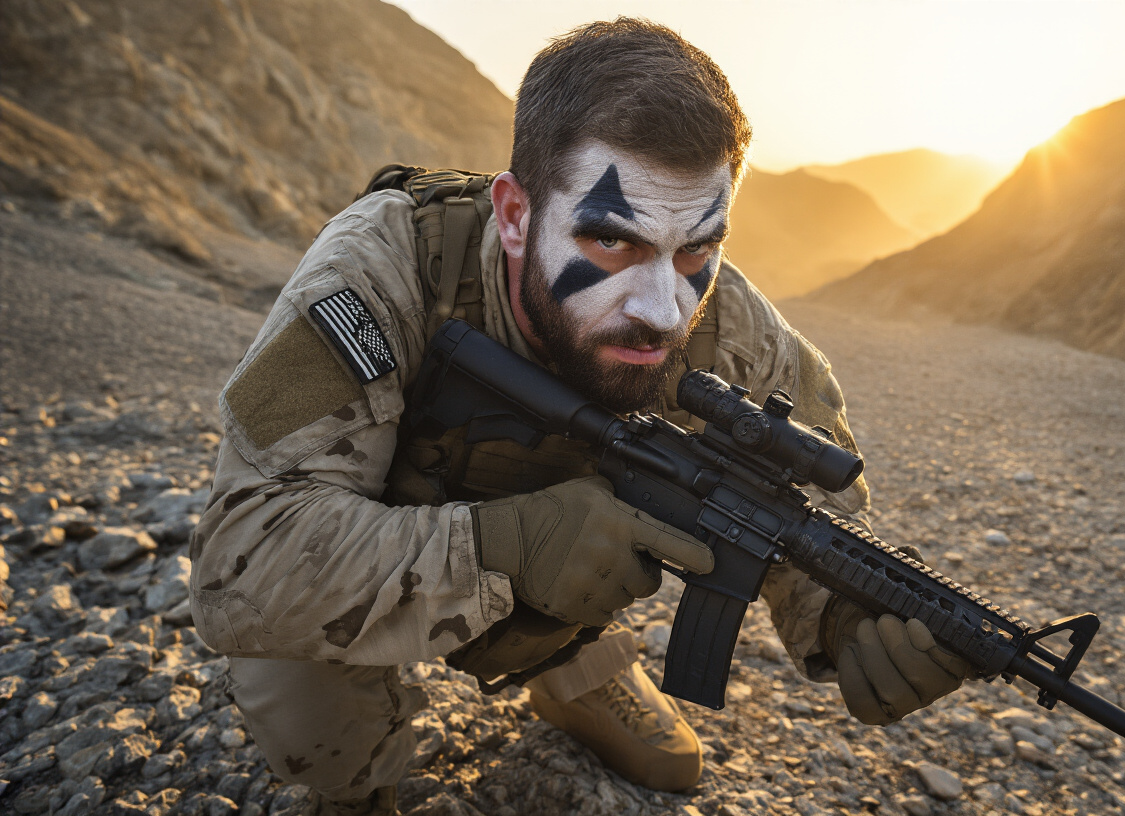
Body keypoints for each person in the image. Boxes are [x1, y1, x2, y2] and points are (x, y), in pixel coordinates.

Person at [189, 18, 970, 815]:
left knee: (671, 767)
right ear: (517, 215)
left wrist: (841, 617)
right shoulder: (377, 272)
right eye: (609, 238)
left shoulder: (734, 329)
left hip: (565, 602)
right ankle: (357, 783)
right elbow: (241, 562)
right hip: (378, 549)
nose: (664, 310)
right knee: (299, 701)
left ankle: (571, 670)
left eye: (698, 248)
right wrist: (505, 547)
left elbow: (807, 509)